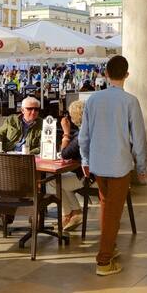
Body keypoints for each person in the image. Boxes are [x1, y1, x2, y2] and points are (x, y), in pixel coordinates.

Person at [78, 56, 147, 276]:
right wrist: (142, 166)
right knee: (113, 212)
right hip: (119, 164)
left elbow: (84, 136)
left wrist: (85, 160)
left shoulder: (93, 100)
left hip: (98, 163)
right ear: (127, 75)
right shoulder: (130, 101)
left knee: (106, 207)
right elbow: (138, 138)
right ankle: (104, 261)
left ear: (106, 74)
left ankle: (110, 247)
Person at [56, 99, 87, 232]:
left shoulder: (81, 135)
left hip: (85, 176)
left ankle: (72, 213)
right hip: (95, 174)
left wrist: (66, 133)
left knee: (52, 183)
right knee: (61, 182)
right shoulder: (89, 129)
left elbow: (64, 154)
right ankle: (72, 214)